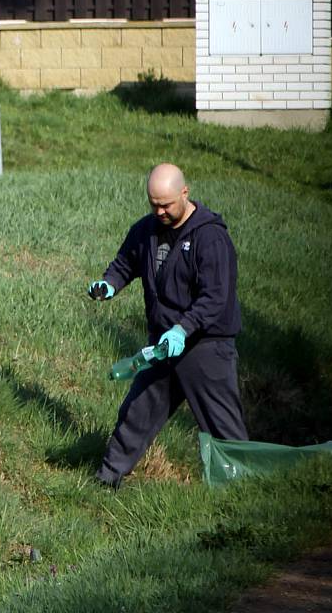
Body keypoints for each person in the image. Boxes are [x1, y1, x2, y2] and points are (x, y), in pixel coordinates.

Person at [88, 163, 248, 489]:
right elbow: (125, 264)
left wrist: (183, 329)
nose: (159, 211)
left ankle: (242, 489)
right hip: (163, 345)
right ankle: (106, 480)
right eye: (153, 204)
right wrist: (108, 285)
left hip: (206, 346)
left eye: (166, 204)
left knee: (222, 426)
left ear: (185, 193)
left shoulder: (210, 237)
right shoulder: (145, 230)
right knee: (136, 412)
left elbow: (215, 298)